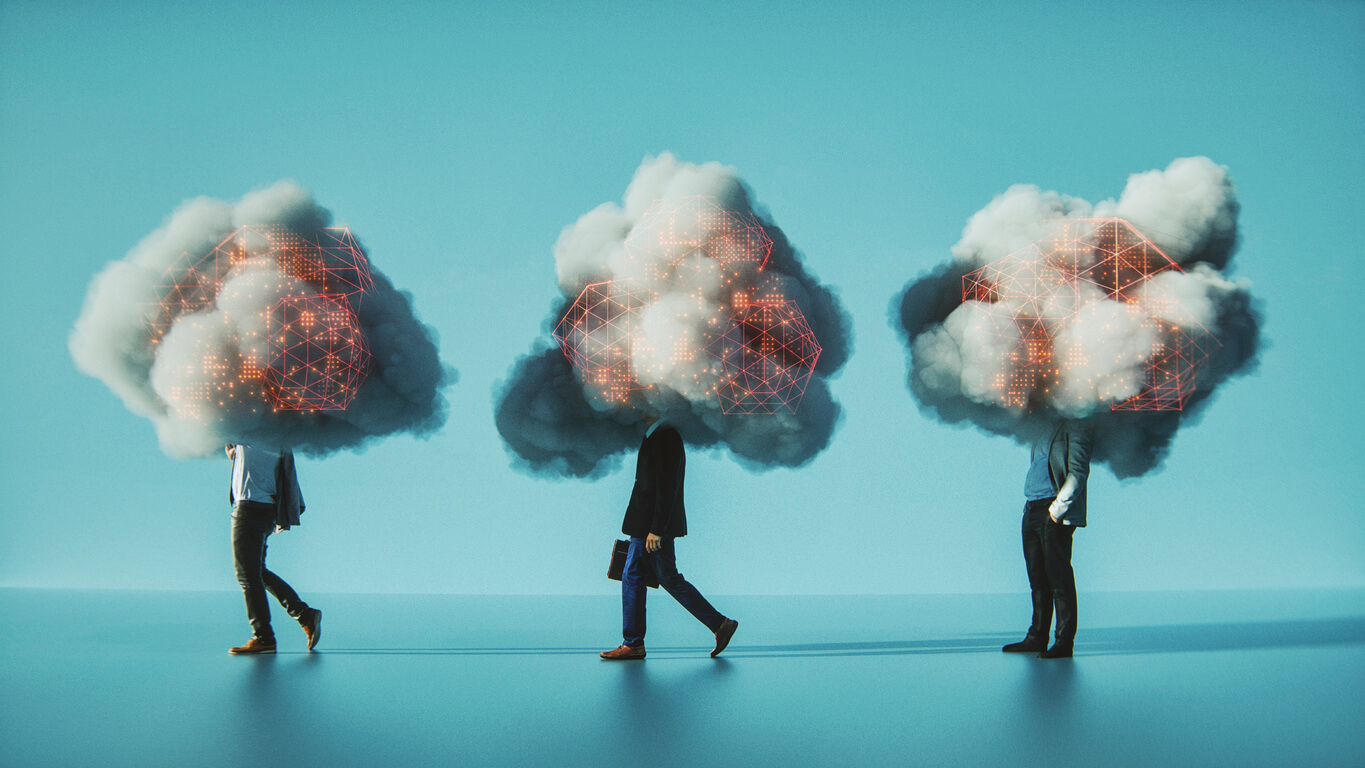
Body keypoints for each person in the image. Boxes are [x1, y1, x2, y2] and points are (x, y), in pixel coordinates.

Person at [600, 414, 738, 660]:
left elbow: (667, 486)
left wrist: (657, 529)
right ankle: (720, 624)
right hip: (647, 524)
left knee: (633, 575)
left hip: (649, 527)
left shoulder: (665, 435)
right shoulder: (658, 433)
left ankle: (633, 643)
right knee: (667, 577)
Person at [1002, 418, 1093, 659]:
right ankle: (1037, 637)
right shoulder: (1039, 426)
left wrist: (1055, 511)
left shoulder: (1076, 425)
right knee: (1037, 580)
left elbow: (1079, 473)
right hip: (1031, 508)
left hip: (1054, 512)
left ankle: (1064, 642)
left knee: (1059, 580)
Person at [226, 443, 322, 655]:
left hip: (249, 508)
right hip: (264, 507)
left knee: (246, 575)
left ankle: (263, 637)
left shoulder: (251, 427)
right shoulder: (273, 431)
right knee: (257, 571)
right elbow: (245, 459)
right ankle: (304, 615)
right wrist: (234, 452)